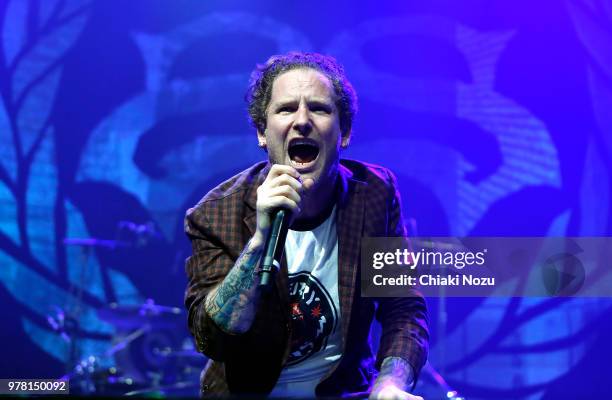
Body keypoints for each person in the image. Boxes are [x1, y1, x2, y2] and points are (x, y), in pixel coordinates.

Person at [184, 52, 428, 399]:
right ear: (262, 133)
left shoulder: (374, 194)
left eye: (319, 108)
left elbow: (403, 308)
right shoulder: (215, 213)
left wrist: (389, 384)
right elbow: (213, 339)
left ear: (343, 133)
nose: (302, 121)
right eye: (286, 109)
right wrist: (261, 240)